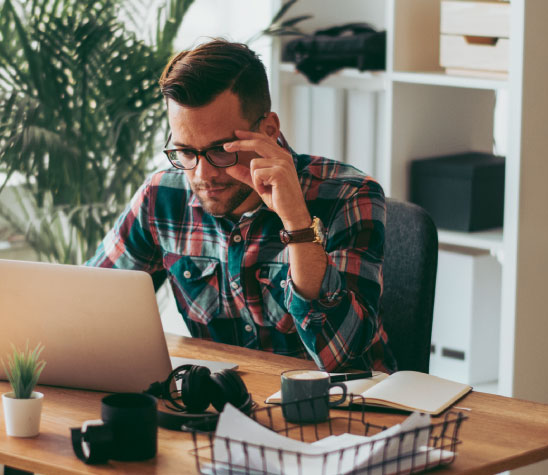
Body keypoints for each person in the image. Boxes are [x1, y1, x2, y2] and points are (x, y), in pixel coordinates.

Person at [85, 39, 394, 373]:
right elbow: (86, 306)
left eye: (221, 150)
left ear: (269, 131)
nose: (203, 174)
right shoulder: (161, 197)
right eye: (186, 151)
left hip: (346, 409)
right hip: (220, 402)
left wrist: (297, 224)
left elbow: (344, 360)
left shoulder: (349, 195)